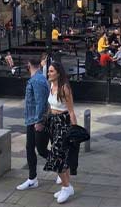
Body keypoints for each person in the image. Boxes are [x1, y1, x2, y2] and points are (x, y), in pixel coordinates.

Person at [44, 62, 77, 204]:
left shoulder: (65, 89)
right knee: (61, 156)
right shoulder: (51, 85)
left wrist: (75, 129)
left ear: (58, 73)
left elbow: (71, 111)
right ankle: (67, 186)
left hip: (63, 123)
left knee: (56, 156)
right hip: (53, 122)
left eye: (51, 71)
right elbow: (50, 106)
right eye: (49, 71)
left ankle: (66, 186)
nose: (48, 73)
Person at [16, 59, 50, 191]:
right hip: (32, 120)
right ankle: (32, 179)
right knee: (30, 148)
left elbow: (41, 102)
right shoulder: (37, 78)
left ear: (29, 65)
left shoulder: (37, 80)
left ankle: (62, 167)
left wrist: (39, 121)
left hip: (37, 120)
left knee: (41, 150)